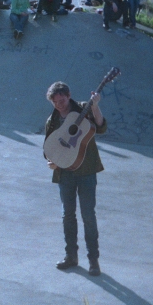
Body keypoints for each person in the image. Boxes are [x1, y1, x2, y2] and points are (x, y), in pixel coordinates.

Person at [44, 81, 107, 277]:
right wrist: (51, 162)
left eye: (62, 100)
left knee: (88, 215)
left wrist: (95, 106)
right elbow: (48, 148)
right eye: (55, 102)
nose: (59, 105)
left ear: (69, 95)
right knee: (68, 216)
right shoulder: (52, 120)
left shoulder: (84, 110)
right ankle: (71, 256)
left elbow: (101, 127)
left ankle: (93, 260)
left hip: (86, 170)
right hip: (65, 173)